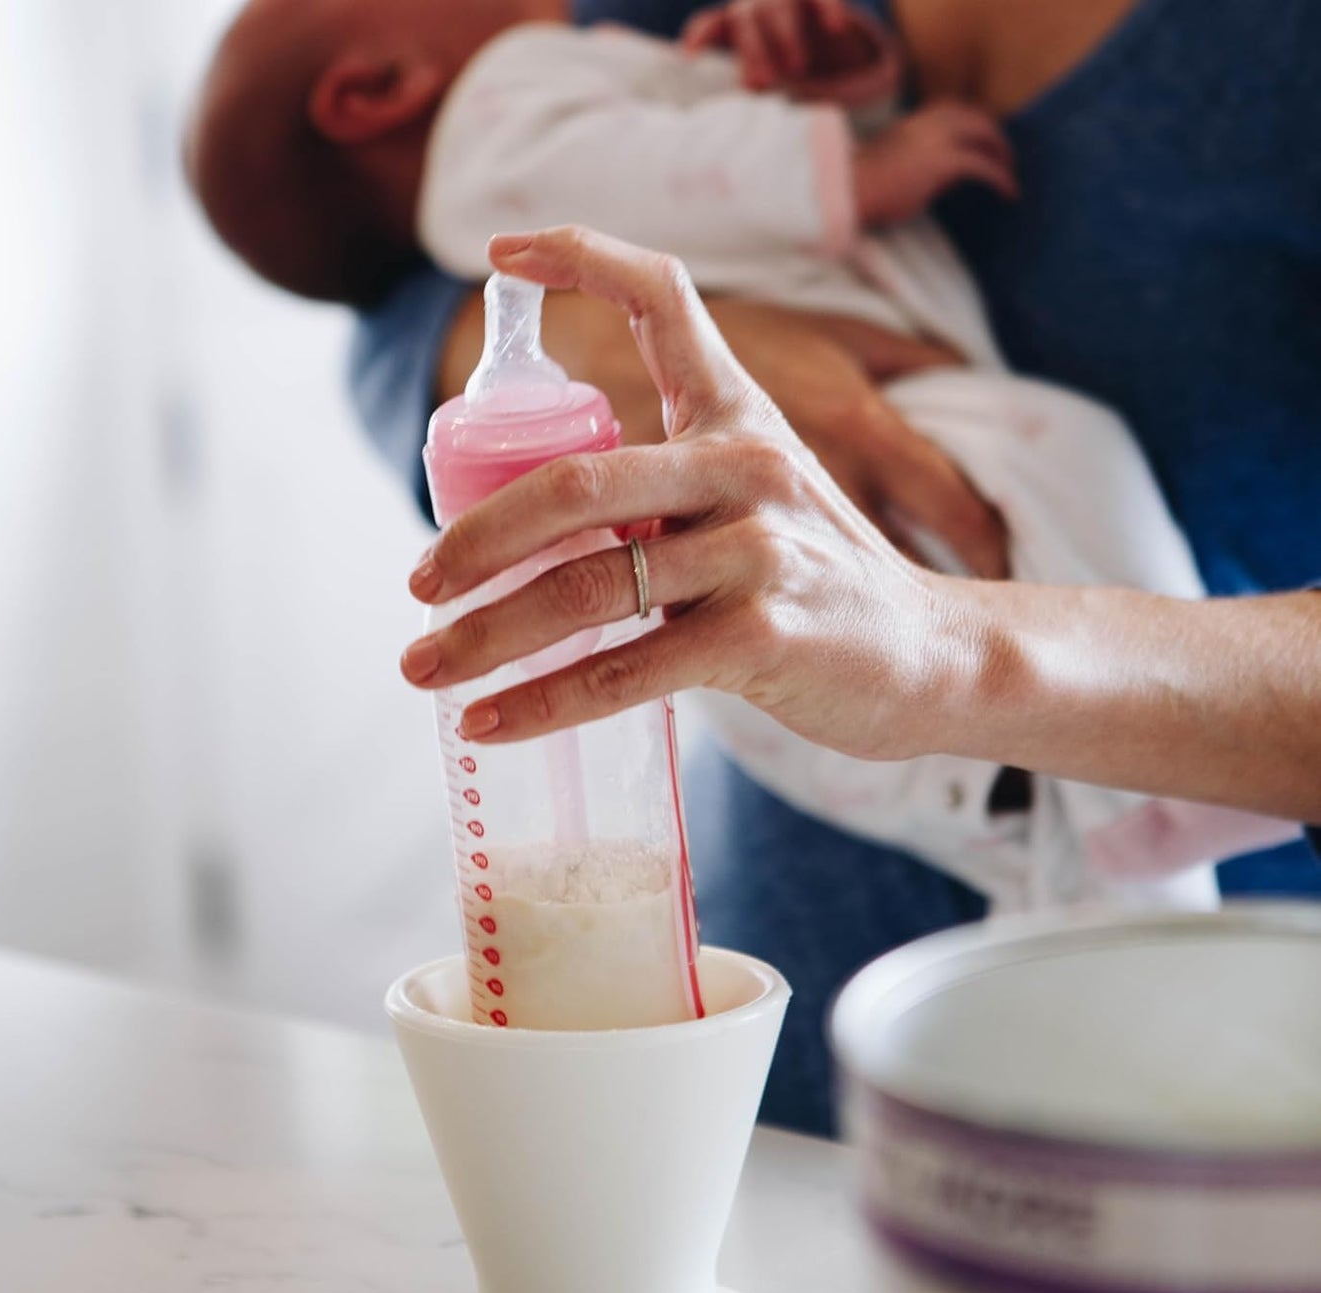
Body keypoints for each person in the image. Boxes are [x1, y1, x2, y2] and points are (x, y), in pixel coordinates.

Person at [185, 0, 1272, 909]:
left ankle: (1112, 824)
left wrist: (826, 118)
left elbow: (667, 160)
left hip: (887, 629)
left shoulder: (521, 80)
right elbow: (398, 323)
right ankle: (1126, 816)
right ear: (371, 89)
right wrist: (846, 165)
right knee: (1060, 458)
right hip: (890, 503)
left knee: (1012, 813)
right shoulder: (505, 90)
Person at [399, 224, 1321, 837]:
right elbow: (375, 272)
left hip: (1230, 1009)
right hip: (771, 1008)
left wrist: (959, 655)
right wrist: (588, 341)